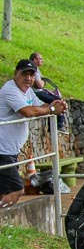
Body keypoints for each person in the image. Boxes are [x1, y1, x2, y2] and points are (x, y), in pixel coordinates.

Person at [0, 59, 67, 208]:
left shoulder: (27, 91)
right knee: (16, 190)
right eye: (25, 74)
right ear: (15, 74)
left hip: (9, 151)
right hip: (2, 151)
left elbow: (39, 105)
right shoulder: (10, 90)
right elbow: (28, 112)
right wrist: (51, 110)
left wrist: (56, 105)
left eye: (32, 75)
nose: (29, 78)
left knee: (4, 190)